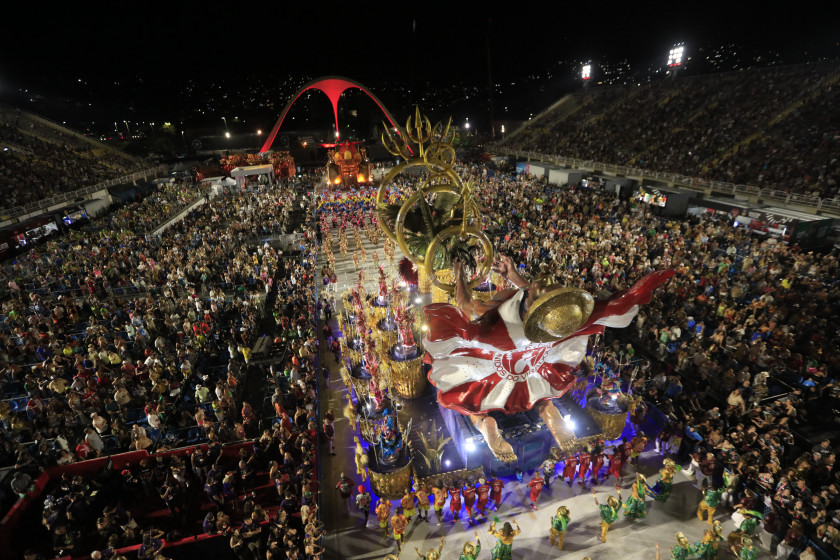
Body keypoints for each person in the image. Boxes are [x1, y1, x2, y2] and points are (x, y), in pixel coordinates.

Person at [424, 256, 673, 462]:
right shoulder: (565, 322)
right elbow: (610, 307)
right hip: (535, 363)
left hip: (493, 364)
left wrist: (459, 275)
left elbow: (465, 302)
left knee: (472, 399)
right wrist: (513, 275)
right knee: (538, 393)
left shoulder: (493, 321)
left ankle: (484, 423)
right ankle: (549, 411)